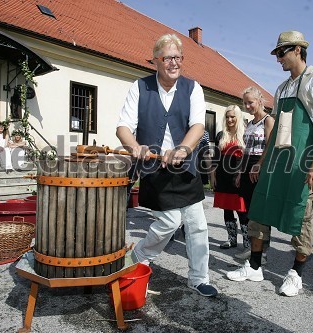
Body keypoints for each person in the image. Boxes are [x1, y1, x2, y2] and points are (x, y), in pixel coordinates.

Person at [226, 30, 313, 298]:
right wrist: (261, 162)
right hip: (277, 161)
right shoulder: (282, 87)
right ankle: (254, 266)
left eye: (282, 52)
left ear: (298, 50)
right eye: (276, 54)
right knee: (261, 209)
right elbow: (276, 131)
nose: (278, 59)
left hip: (302, 161)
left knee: (302, 215)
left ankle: (296, 273)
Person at [116, 34, 217, 297]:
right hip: (154, 168)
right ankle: (140, 255)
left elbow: (197, 125)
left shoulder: (193, 87)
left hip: (186, 169)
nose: (174, 63)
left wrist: (183, 149)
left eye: (178, 57)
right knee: (170, 221)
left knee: (197, 225)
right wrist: (134, 146)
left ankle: (198, 278)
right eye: (168, 58)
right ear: (156, 61)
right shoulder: (140, 87)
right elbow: (123, 127)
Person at [233, 87, 275, 260]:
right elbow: (245, 150)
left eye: (250, 102)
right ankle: (253, 248)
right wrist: (238, 172)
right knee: (249, 210)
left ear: (259, 101)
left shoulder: (268, 120)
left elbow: (270, 146)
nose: (247, 106)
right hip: (246, 168)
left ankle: (263, 252)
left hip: (260, 167)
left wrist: (259, 164)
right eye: (245, 102)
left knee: (261, 211)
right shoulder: (250, 123)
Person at [210, 105, 246, 249]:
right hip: (222, 176)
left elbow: (247, 158)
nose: (230, 119)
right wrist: (212, 175)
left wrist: (241, 174)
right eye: (227, 116)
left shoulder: (244, 134)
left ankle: (248, 243)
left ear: (238, 117)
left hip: (237, 176)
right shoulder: (220, 135)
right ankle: (231, 240)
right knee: (227, 209)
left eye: (233, 116)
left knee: (242, 210)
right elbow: (215, 158)